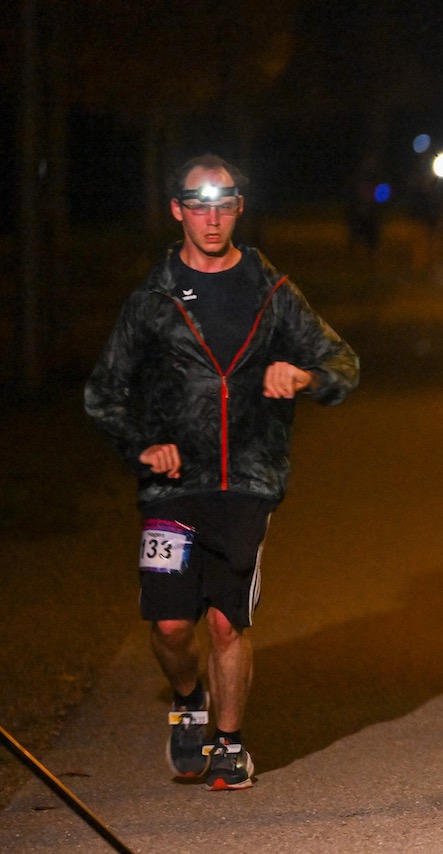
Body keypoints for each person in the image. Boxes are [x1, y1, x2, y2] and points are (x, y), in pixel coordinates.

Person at [84, 154, 359, 789]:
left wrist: (306, 376)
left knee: (226, 620)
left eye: (225, 203)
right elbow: (103, 393)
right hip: (171, 488)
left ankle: (230, 743)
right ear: (177, 209)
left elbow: (343, 363)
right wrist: (143, 445)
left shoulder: (272, 290)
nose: (212, 218)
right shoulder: (152, 301)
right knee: (172, 625)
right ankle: (187, 702)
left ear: (240, 207)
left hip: (247, 480)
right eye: (198, 205)